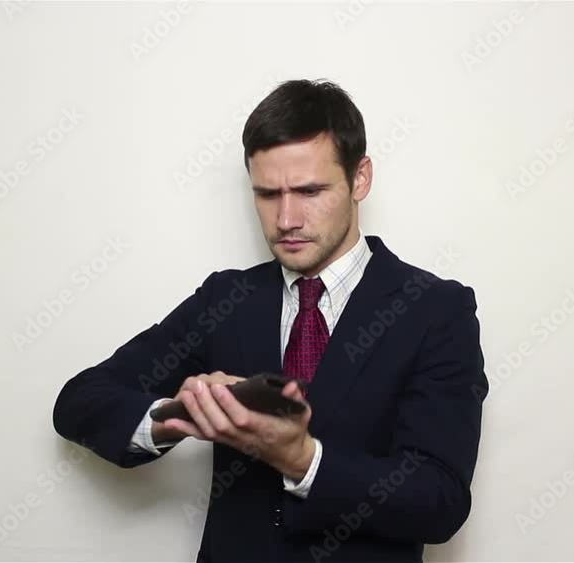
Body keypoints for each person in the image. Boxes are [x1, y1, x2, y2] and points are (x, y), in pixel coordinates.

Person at [52, 78, 488, 562]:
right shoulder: (228, 298)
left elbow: (440, 500)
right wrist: (185, 415)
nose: (285, 219)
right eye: (266, 194)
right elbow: (79, 402)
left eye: (309, 190)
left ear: (360, 178)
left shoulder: (435, 310)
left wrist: (300, 459)